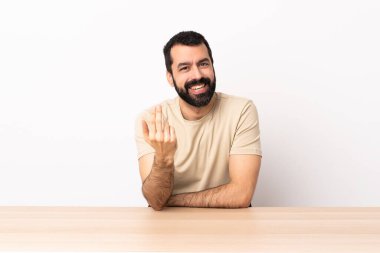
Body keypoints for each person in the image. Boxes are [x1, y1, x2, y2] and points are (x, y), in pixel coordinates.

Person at [135, 31, 262, 211]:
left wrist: (173, 201)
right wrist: (163, 158)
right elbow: (156, 200)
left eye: (203, 64)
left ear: (213, 66)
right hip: (169, 229)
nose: (197, 75)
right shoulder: (151, 120)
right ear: (170, 77)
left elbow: (241, 194)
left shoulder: (241, 110)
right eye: (184, 68)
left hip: (229, 226)